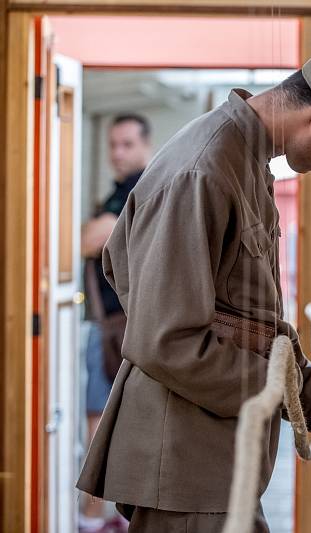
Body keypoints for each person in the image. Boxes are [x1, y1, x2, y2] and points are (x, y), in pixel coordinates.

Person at [77, 26, 311, 532]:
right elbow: (164, 340)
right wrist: (282, 397)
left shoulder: (246, 161)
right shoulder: (203, 170)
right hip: (182, 459)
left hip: (215, 457)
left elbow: (258, 325)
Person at [79, 113, 152, 533]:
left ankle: (93, 520)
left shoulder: (138, 187)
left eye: (126, 144)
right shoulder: (122, 190)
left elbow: (90, 238)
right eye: (113, 145)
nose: (118, 153)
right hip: (116, 324)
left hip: (118, 327)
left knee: (101, 423)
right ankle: (114, 517)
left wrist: (89, 232)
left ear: (145, 144)